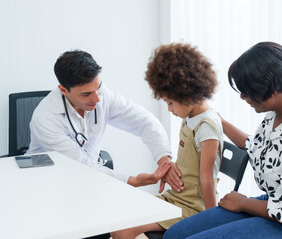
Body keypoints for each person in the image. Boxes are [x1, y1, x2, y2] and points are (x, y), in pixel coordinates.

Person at [163, 42, 282, 239]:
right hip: (279, 204)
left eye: (247, 91)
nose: (243, 97)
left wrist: (244, 203)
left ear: (272, 89)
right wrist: (215, 119)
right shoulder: (280, 113)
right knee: (175, 235)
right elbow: (256, 146)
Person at [110, 43, 224, 239]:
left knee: (124, 230)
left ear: (186, 93)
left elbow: (207, 180)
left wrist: (211, 223)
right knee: (118, 218)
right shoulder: (189, 118)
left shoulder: (206, 128)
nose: (170, 110)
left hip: (193, 209)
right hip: (176, 199)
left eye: (170, 103)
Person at [26, 50, 184, 190]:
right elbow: (80, 166)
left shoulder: (102, 95)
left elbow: (144, 121)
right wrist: (133, 181)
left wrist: (164, 161)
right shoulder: (45, 119)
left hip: (89, 179)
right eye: (86, 94)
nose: (96, 98)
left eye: (98, 87)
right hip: (46, 183)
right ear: (63, 90)